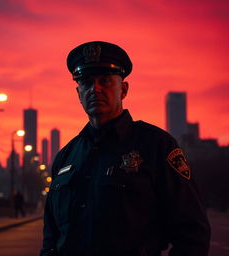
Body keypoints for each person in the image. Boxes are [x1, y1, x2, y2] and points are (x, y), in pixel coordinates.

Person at [40, 41, 210, 256]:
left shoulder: (156, 145)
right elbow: (51, 239)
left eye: (105, 81)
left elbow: (193, 232)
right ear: (78, 92)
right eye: (87, 82)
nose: (95, 89)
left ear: (124, 89)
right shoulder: (66, 156)